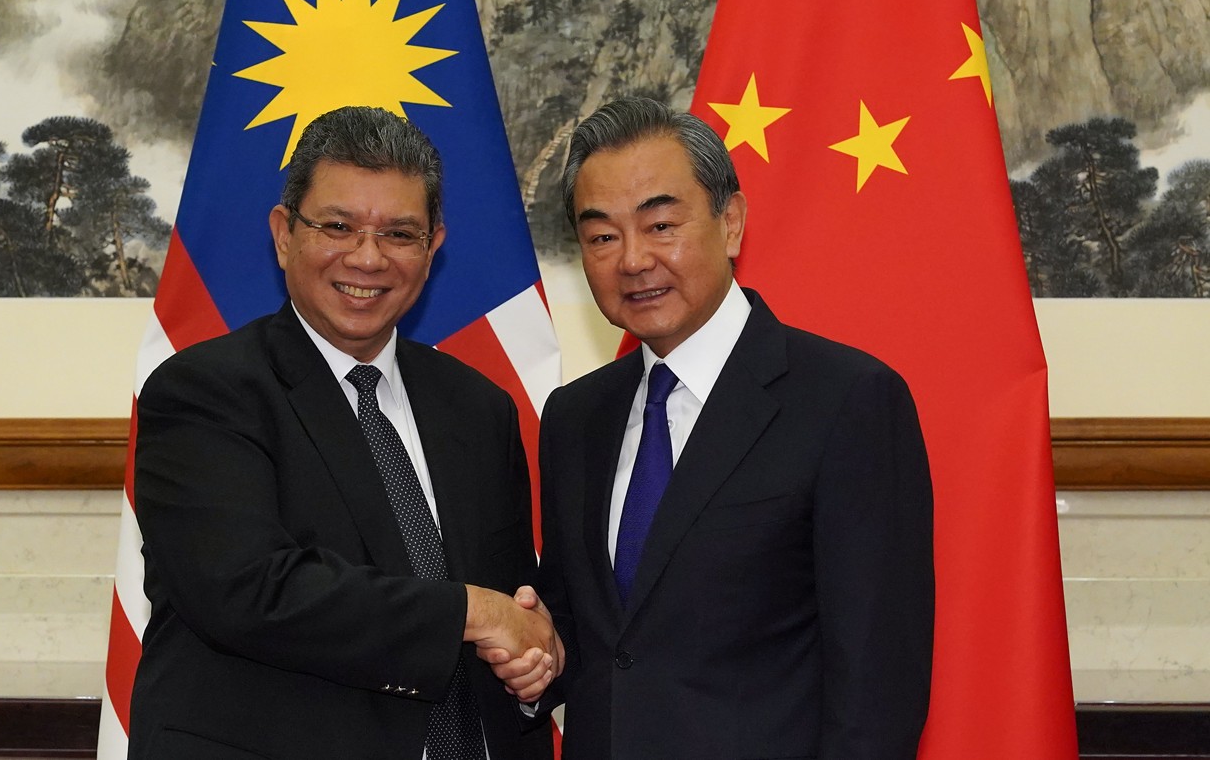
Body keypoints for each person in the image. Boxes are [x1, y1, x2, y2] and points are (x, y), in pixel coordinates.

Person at [492, 97, 935, 758]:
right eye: (602, 237)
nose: (633, 260)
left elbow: (876, 689)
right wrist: (536, 658)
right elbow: (591, 637)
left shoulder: (848, 401)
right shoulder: (576, 417)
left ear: (730, 223)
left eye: (661, 224)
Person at [128, 106, 556, 760]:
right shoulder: (206, 392)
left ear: (433, 247)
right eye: (338, 226)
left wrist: (535, 660)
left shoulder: (478, 408)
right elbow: (250, 592)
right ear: (282, 234)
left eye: (401, 233)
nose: (368, 256)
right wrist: (474, 612)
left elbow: (515, 603)